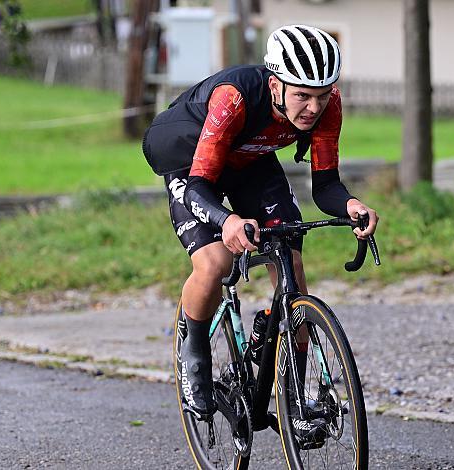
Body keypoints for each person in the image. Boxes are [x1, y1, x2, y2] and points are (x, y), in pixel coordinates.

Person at [142, 25, 379, 424]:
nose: (313, 108)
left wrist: (353, 204)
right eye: (302, 96)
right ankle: (194, 355)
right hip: (193, 163)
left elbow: (325, 185)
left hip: (251, 160)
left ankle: (295, 402)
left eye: (321, 97)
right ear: (275, 85)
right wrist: (227, 219)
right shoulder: (233, 99)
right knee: (215, 264)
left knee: (290, 257)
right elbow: (200, 186)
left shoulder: (328, 104)